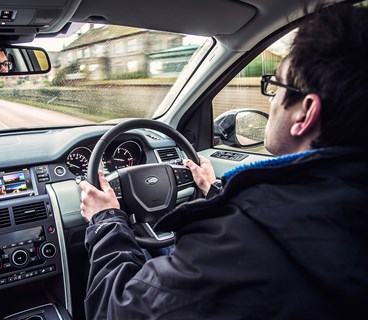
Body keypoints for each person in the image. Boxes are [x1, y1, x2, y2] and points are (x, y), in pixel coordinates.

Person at [79, 4, 368, 320]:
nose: (270, 101)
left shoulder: (231, 247)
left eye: (275, 87)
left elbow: (115, 310)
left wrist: (105, 220)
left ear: (305, 113)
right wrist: (215, 193)